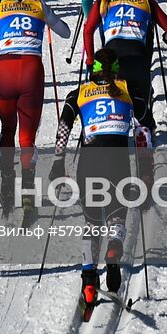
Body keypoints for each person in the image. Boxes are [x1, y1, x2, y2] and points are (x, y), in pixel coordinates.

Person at [46, 49, 137, 309]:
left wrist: (58, 161)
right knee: (117, 214)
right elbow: (142, 128)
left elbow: (64, 126)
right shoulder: (127, 88)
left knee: (91, 222)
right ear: (116, 69)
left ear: (92, 70)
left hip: (89, 163)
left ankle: (88, 281)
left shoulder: (79, 93)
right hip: (117, 162)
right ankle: (114, 249)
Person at [0, 0, 74, 211]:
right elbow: (65, 32)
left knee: (7, 129)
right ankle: (28, 193)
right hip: (31, 69)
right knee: (27, 136)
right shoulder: (38, 4)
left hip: (5, 69)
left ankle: (7, 182)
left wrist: (0, 42)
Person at [80, 0, 167, 140]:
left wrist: (91, 61)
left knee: (116, 113)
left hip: (112, 64)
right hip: (139, 62)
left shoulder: (103, 0)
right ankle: (146, 144)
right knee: (141, 110)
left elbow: (87, 31)